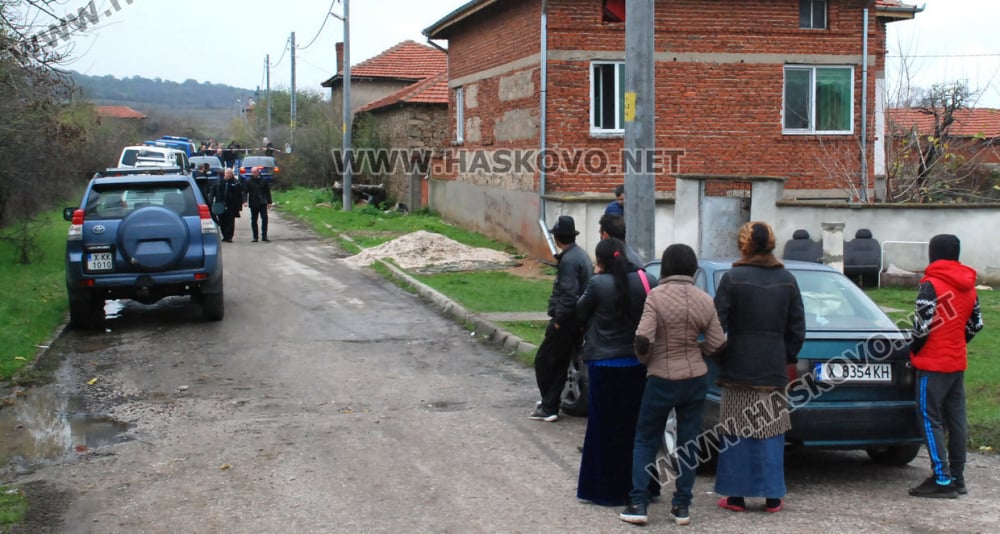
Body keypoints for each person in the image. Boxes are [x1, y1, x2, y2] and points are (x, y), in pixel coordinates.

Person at [620, 243, 726, 526]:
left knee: (645, 439)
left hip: (661, 377)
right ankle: (681, 507)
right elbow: (717, 343)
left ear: (665, 267)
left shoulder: (656, 297)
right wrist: (696, 351)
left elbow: (643, 337)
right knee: (688, 442)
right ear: (693, 268)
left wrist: (646, 360)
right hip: (694, 379)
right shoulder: (704, 299)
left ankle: (638, 503)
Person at [712, 221, 805, 514]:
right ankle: (773, 496)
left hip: (738, 364)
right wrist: (785, 355)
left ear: (744, 245)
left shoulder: (732, 278)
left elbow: (717, 325)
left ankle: (736, 496)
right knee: (771, 429)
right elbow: (797, 328)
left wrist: (720, 355)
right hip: (773, 366)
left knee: (737, 428)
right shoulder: (788, 279)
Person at [575, 237, 656, 506]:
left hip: (604, 363)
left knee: (602, 427)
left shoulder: (598, 284)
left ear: (601, 261)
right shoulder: (646, 280)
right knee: (634, 427)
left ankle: (602, 489)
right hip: (637, 362)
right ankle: (643, 485)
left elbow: (579, 310)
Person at [908, 234, 983, 498]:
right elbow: (976, 324)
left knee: (929, 419)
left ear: (933, 253)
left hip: (932, 363)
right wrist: (956, 342)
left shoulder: (931, 284)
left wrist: (913, 350)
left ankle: (941, 479)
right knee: (957, 419)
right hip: (956, 361)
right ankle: (958, 478)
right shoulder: (969, 285)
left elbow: (921, 327)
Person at [530, 215, 593, 422]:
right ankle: (550, 402)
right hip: (577, 320)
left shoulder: (570, 261)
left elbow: (568, 294)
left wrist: (558, 320)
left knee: (545, 361)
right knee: (560, 363)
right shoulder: (579, 255)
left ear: (557, 238)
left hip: (566, 321)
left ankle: (549, 405)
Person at [209, 168, 243, 242]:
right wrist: (210, 201)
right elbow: (212, 192)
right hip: (220, 204)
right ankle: (224, 235)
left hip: (231, 205)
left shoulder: (236, 183)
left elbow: (239, 195)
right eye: (228, 173)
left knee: (230, 221)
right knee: (222, 220)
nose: (229, 175)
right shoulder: (218, 182)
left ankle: (229, 236)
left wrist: (239, 206)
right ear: (225, 174)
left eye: (230, 173)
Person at [243, 167, 273, 242]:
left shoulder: (263, 181)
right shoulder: (248, 181)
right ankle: (255, 237)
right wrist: (245, 201)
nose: (254, 174)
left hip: (262, 202)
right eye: (252, 172)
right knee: (254, 220)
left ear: (258, 172)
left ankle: (264, 236)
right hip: (253, 203)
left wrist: (269, 202)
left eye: (255, 172)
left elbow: (267, 192)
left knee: (265, 218)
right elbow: (245, 192)